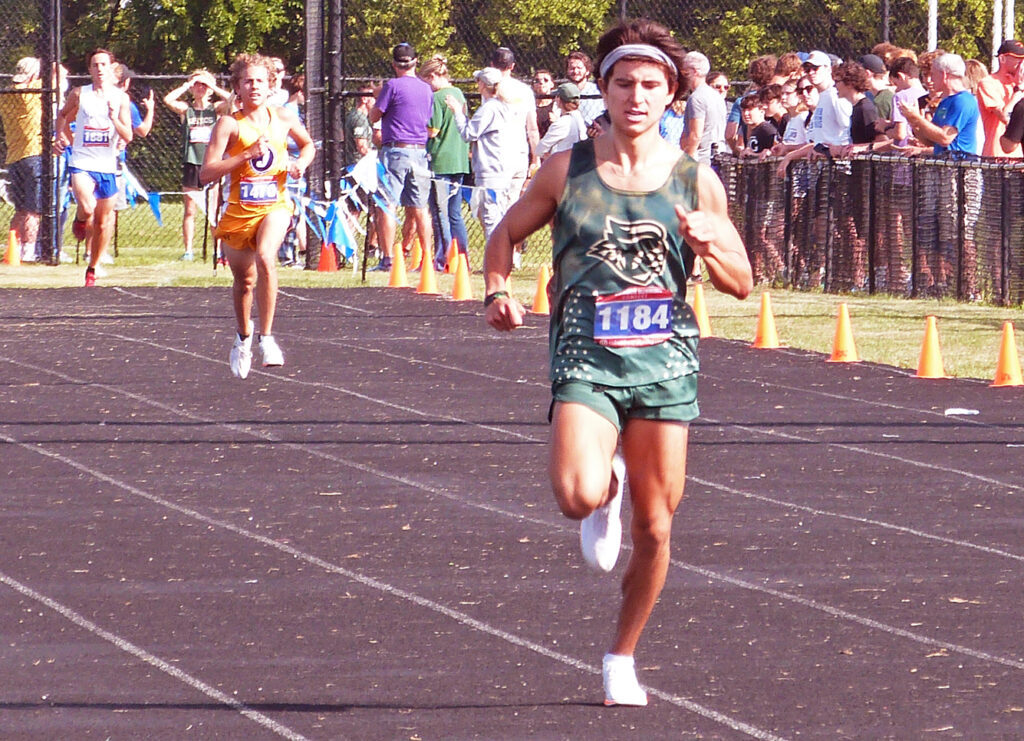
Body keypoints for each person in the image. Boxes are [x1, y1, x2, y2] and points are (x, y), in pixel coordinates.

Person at [480, 18, 752, 707]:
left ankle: (622, 656)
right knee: (574, 494)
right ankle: (605, 488)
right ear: (602, 88)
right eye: (624, 83)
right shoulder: (566, 170)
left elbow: (741, 282)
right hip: (586, 356)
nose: (636, 95)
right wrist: (497, 287)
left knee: (658, 527)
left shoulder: (697, 180)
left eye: (651, 85)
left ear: (672, 95)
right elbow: (505, 232)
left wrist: (710, 244)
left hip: (664, 362)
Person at [200, 53, 314, 379]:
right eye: (247, 81)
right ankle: (243, 337)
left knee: (266, 256)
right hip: (239, 212)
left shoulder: (284, 117)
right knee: (244, 282)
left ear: (270, 85)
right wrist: (245, 155)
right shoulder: (229, 124)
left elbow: (307, 147)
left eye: (260, 81)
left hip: (275, 205)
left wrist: (299, 165)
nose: (254, 86)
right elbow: (207, 173)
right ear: (237, 86)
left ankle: (267, 338)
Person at [54, 48, 134, 286]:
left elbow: (128, 134)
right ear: (89, 69)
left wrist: (114, 119)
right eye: (94, 65)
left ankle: (93, 266)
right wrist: (62, 136)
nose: (99, 69)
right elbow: (62, 117)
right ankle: (80, 219)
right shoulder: (80, 94)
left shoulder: (121, 98)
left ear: (111, 68)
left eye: (103, 65)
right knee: (88, 208)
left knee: (101, 221)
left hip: (107, 164)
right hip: (81, 161)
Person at [369, 43, 434, 272]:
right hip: (419, 151)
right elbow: (428, 119)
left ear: (394, 64)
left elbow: (374, 116)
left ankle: (387, 259)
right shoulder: (426, 89)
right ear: (416, 62)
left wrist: (377, 98)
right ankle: (427, 259)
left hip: (396, 150)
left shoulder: (392, 86)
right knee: (420, 207)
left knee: (387, 204)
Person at [163, 68, 232, 261]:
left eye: (204, 85)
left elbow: (233, 100)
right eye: (197, 85)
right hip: (192, 162)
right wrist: (187, 84)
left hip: (211, 162)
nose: (200, 88)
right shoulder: (187, 109)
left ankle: (218, 251)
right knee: (190, 209)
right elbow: (168, 100)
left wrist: (213, 86)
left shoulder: (216, 108)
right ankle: (188, 250)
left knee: (214, 210)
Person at [447, 67, 514, 240]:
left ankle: (495, 263)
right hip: (501, 168)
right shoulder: (502, 106)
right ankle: (499, 260)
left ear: (483, 85)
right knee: (494, 216)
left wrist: (457, 113)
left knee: (491, 218)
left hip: (491, 171)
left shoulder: (490, 108)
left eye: (478, 81)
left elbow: (468, 133)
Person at [421, 54, 470, 270]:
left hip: (441, 161)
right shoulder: (458, 93)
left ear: (432, 76)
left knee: (439, 212)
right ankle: (462, 257)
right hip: (459, 160)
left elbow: (433, 130)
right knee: (455, 212)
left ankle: (443, 259)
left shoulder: (438, 97)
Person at [0, 57, 43, 262]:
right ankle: (28, 250)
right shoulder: (33, 92)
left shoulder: (6, 95)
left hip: (13, 157)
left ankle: (13, 248)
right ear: (34, 75)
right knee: (33, 209)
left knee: (20, 208)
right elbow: (60, 78)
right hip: (33, 154)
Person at [976, 39, 1024, 158]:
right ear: (1002, 59)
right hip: (997, 155)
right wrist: (1018, 90)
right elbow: (1004, 116)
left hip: (1019, 155)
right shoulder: (988, 83)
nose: (1021, 62)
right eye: (1017, 58)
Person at [680, 51, 727, 165]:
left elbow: (695, 135)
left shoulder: (696, 98)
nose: (681, 75)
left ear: (694, 71)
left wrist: (686, 163)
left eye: (684, 71)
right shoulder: (717, 96)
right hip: (719, 156)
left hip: (702, 160)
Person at [535, 82, 587, 161]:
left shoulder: (562, 122)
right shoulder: (579, 117)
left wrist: (552, 160)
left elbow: (540, 149)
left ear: (558, 100)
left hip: (564, 165)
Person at [565, 50, 604, 125]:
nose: (575, 71)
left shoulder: (598, 90)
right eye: (572, 68)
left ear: (587, 71)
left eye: (579, 68)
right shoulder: (560, 92)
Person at [532, 69, 556, 138]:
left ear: (551, 84)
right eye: (537, 81)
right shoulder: (529, 105)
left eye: (545, 80)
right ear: (533, 85)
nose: (541, 83)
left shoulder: (557, 105)